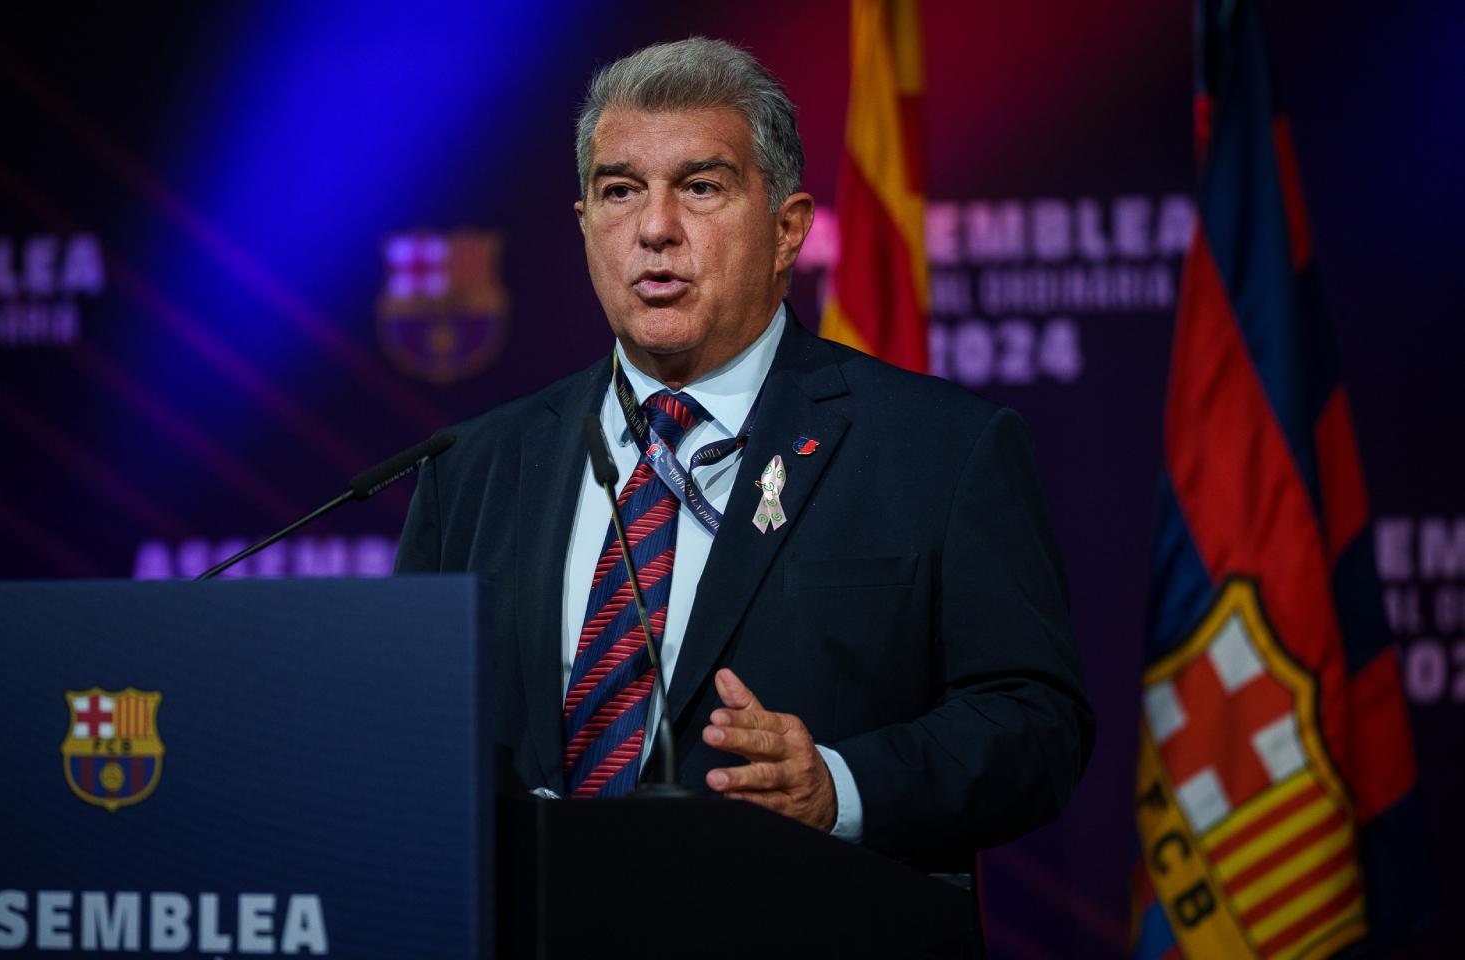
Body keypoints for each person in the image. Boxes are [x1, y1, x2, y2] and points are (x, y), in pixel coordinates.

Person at [394, 37, 1092, 869]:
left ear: (788, 228)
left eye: (700, 188)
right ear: (585, 226)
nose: (655, 229)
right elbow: (408, 725)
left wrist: (841, 786)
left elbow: (1034, 723)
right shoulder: (473, 467)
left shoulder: (938, 449)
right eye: (620, 191)